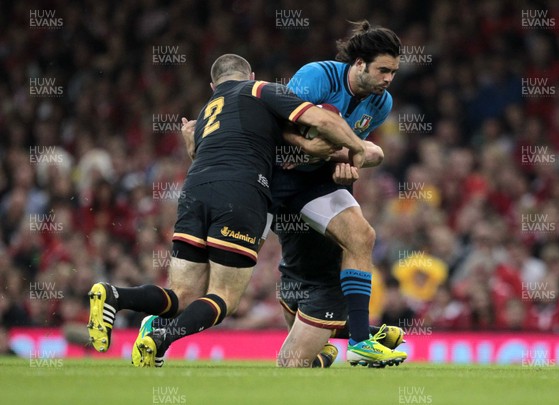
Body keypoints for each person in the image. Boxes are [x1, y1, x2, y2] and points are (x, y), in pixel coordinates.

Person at [87, 53, 366, 367]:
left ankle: (116, 296)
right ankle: (162, 337)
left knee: (182, 295)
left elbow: (200, 153)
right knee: (225, 297)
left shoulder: (208, 111)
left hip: (193, 190)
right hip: (241, 192)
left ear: (212, 84)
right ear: (251, 74)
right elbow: (321, 121)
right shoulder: (260, 90)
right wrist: (355, 148)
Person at [271, 20, 405, 365]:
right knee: (265, 271)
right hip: (276, 174)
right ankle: (166, 314)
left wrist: (344, 165)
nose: (388, 79)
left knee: (362, 235)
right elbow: (275, 124)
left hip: (318, 180)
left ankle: (359, 341)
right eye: (383, 70)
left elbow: (352, 150)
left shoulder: (381, 103)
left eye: (393, 71)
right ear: (358, 64)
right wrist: (306, 148)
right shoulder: (318, 76)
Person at [273, 207, 406, 368]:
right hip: (290, 272)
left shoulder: (330, 200)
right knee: (290, 357)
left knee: (290, 364)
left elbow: (360, 235)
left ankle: (360, 339)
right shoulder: (276, 195)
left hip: (322, 281)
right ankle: (361, 334)